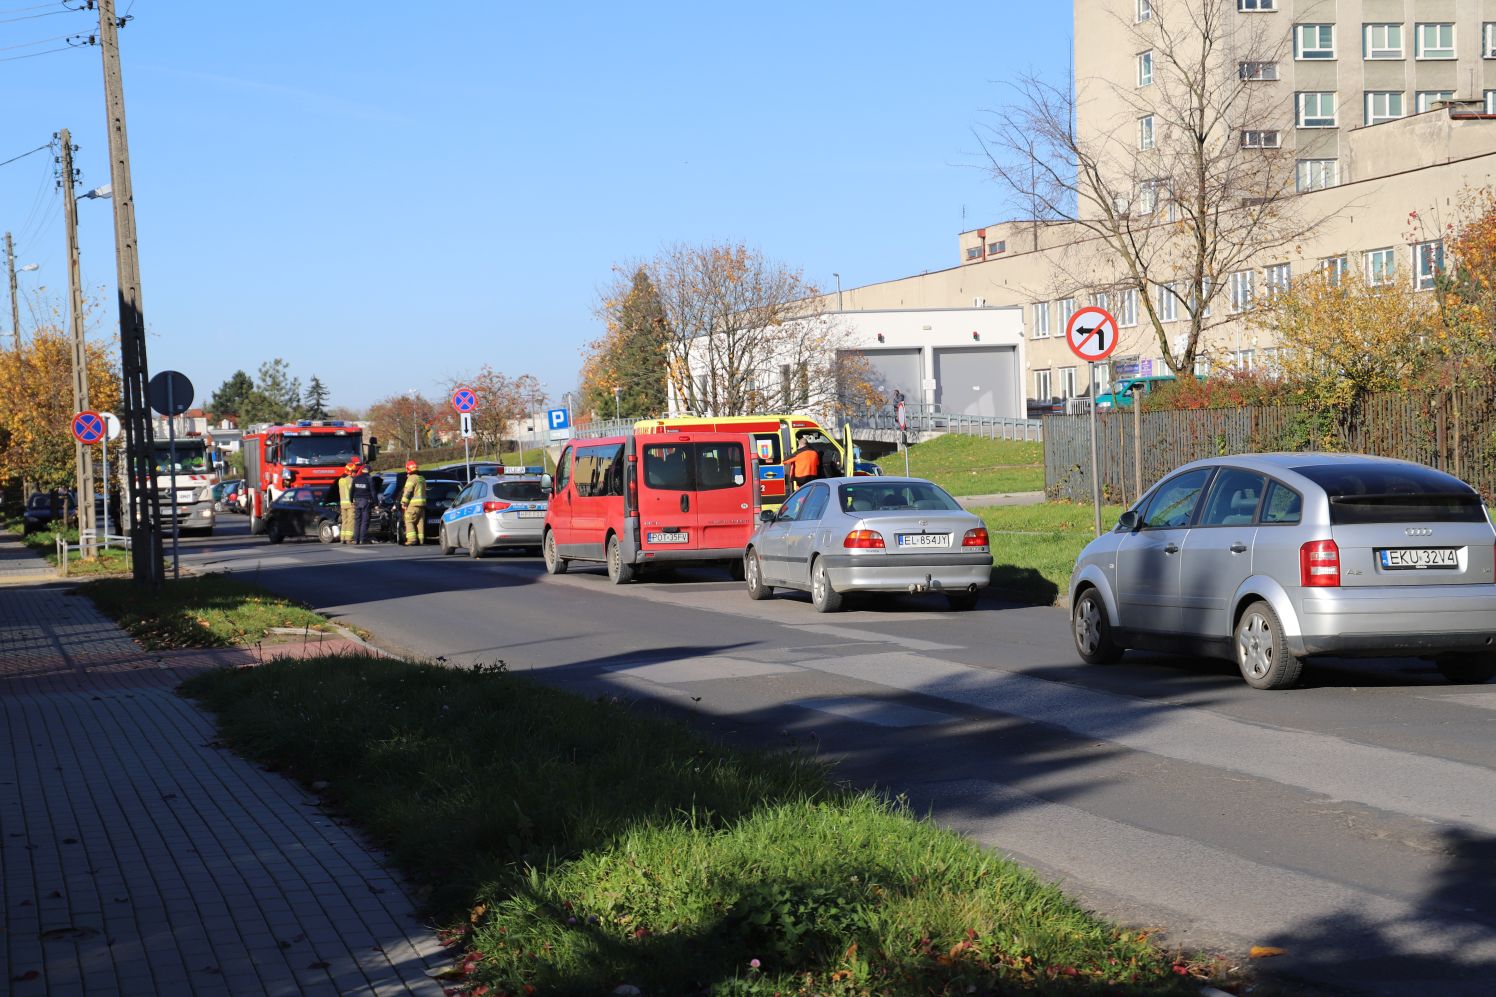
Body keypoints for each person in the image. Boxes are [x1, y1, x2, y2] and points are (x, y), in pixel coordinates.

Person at [400, 460, 426, 545]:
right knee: (420, 522)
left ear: (408, 469)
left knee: (408, 520)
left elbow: (408, 491)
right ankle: (421, 540)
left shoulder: (411, 478)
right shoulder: (421, 478)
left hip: (413, 504)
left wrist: (404, 502)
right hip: (422, 505)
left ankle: (412, 540)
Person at [350, 462, 374, 544]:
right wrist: (376, 503)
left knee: (357, 520)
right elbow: (373, 492)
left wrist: (351, 500)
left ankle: (356, 539)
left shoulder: (356, 478)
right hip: (365, 501)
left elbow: (351, 490)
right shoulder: (369, 479)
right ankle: (362, 539)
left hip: (357, 501)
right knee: (364, 520)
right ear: (369, 471)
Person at [337, 461, 356, 543]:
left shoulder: (341, 480)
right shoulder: (350, 480)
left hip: (342, 504)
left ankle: (342, 538)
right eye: (354, 471)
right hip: (350, 503)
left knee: (344, 521)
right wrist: (354, 502)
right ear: (350, 471)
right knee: (351, 521)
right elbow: (352, 492)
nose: (355, 473)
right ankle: (349, 538)